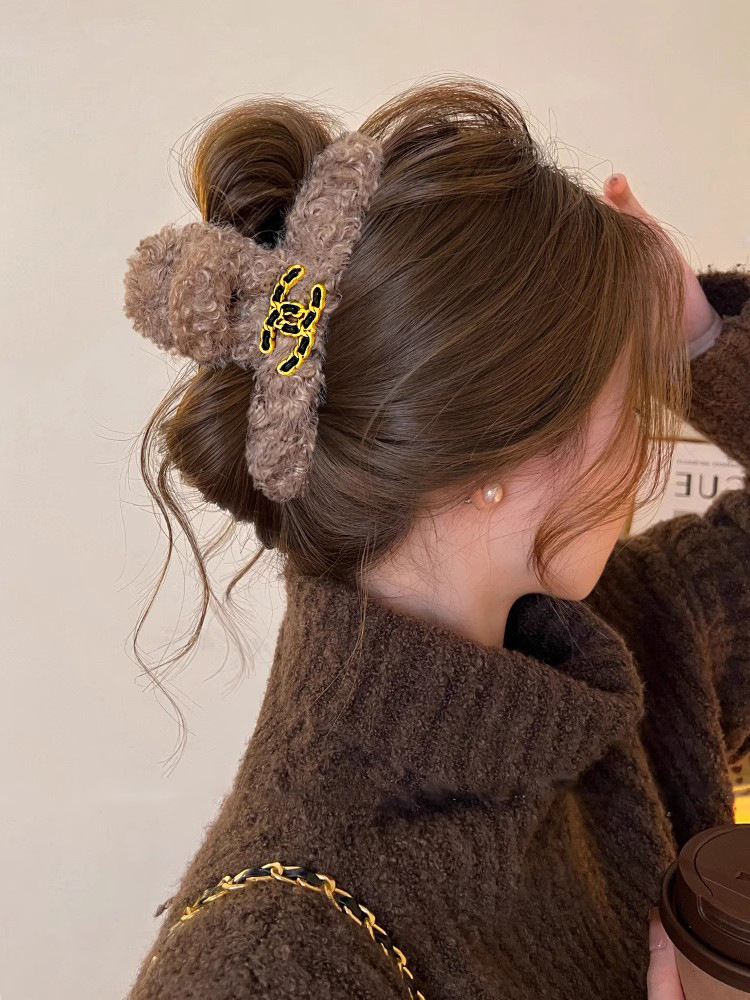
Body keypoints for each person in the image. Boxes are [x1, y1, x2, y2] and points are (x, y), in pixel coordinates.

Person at [121, 77, 748, 999]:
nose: (648, 454)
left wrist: (704, 340)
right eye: (634, 394)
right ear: (504, 456)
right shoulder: (273, 965)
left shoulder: (622, 648)